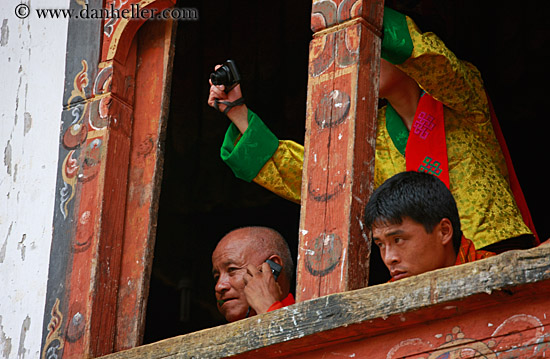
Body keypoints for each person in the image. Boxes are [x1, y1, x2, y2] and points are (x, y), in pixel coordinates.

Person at [208, 7, 537, 253]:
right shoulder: (371, 134)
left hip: (499, 252)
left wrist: (364, 12)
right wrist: (238, 113)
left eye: (371, 47)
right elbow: (319, 178)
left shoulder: (462, 96)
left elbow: (435, 63)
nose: (361, 59)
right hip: (426, 270)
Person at [363, 171, 495, 282]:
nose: (389, 259)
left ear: (444, 232)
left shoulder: (498, 277)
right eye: (381, 245)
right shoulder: (387, 301)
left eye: (398, 240)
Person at [211, 226, 295, 322]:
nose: (219, 287)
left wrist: (268, 306)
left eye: (232, 269)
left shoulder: (309, 319)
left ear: (271, 268)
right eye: (217, 277)